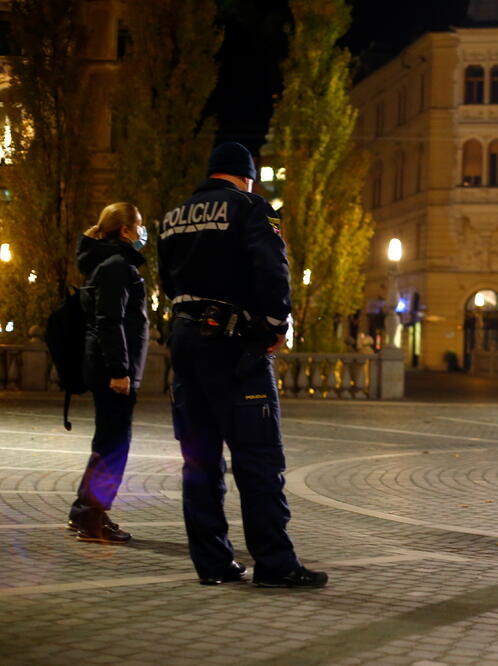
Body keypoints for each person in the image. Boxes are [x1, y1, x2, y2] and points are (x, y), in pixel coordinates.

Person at [159, 142, 327, 588]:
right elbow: (273, 265)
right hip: (235, 346)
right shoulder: (252, 207)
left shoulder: (174, 215)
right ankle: (274, 563)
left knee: (199, 461)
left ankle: (213, 563)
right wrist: (275, 324)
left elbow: (165, 281)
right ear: (246, 177)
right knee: (258, 458)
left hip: (185, 342)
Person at [69, 202, 149, 544]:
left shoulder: (109, 263)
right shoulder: (116, 265)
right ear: (126, 231)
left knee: (110, 443)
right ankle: (90, 517)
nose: (144, 231)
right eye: (140, 225)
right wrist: (120, 370)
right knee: (112, 445)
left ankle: (90, 514)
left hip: (111, 367)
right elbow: (110, 320)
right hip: (113, 370)